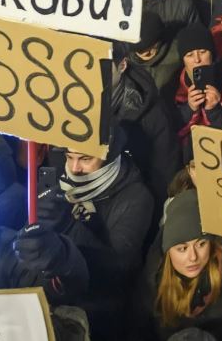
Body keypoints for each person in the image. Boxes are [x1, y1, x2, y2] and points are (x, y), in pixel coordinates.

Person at [37, 142, 155, 339]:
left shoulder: (136, 197)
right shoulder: (55, 178)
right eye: (69, 157)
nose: (75, 168)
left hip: (99, 313)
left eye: (85, 159)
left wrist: (68, 224)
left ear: (108, 157)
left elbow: (119, 266)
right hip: (52, 299)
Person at [140, 190, 222, 340]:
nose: (193, 257)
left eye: (201, 244)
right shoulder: (153, 279)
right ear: (168, 252)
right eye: (182, 249)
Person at [167, 23, 222, 143]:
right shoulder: (172, 86)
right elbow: (166, 131)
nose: (197, 60)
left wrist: (215, 111)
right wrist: (189, 109)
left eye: (202, 52)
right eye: (190, 55)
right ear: (183, 60)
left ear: (212, 54)